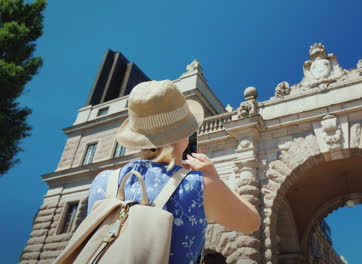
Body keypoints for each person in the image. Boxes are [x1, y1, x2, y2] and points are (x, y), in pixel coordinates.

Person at [87, 80, 261, 264]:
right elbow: (251, 222)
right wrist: (215, 178)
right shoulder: (199, 185)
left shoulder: (103, 180)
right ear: (184, 134)